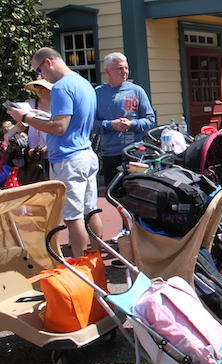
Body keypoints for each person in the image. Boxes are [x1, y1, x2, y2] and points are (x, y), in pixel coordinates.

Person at [5, 47, 102, 254]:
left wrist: (24, 118)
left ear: (48, 63)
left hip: (69, 159)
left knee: (73, 218)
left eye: (39, 71)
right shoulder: (84, 84)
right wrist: (38, 115)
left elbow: (59, 127)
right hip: (86, 154)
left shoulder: (61, 87)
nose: (41, 77)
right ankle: (96, 263)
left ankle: (79, 267)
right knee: (91, 211)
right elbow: (71, 121)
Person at [93, 52, 155, 243]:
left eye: (126, 67)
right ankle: (126, 227)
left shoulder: (137, 91)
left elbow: (150, 119)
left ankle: (137, 231)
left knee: (136, 193)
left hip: (135, 153)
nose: (124, 71)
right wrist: (111, 125)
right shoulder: (97, 94)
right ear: (108, 71)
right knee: (116, 195)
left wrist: (132, 124)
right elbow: (89, 124)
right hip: (111, 153)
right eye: (119, 68)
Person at [3, 78, 53, 184]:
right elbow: (21, 125)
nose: (39, 89)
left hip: (52, 154)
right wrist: (9, 136)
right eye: (36, 86)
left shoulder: (58, 105)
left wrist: (45, 149)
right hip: (34, 156)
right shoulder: (30, 104)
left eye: (42, 87)